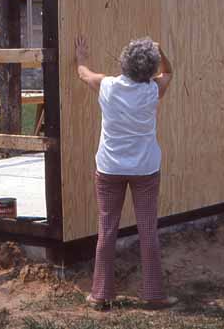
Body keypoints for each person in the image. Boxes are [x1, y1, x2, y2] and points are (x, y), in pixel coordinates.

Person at [75, 35, 177, 309]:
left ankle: (101, 295)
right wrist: (161, 50)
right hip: (145, 170)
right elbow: (169, 71)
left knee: (107, 229)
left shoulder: (107, 86)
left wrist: (81, 56)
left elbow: (82, 73)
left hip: (109, 169)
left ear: (124, 63)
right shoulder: (153, 90)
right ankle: (154, 295)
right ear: (150, 68)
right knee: (147, 230)